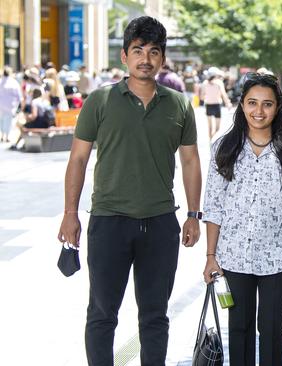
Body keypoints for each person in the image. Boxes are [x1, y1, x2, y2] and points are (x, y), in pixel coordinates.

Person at [56, 16, 202, 365]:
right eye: (138, 50)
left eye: (153, 52)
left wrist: (194, 215)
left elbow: (191, 162)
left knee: (155, 316)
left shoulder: (179, 104)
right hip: (109, 221)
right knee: (102, 313)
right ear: (124, 55)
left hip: (161, 222)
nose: (145, 59)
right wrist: (70, 214)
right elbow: (77, 159)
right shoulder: (101, 100)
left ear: (163, 58)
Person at [202, 73, 282, 366]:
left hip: (278, 256)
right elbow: (213, 206)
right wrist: (211, 256)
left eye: (267, 104)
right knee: (238, 328)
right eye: (252, 103)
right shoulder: (224, 148)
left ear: (278, 107)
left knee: (272, 327)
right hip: (234, 254)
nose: (259, 111)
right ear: (241, 105)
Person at [201, 67, 232, 139]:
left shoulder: (205, 83)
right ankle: (213, 141)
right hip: (216, 105)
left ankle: (211, 141)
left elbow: (202, 97)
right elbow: (223, 94)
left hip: (208, 105)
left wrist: (208, 96)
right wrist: (228, 103)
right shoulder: (219, 83)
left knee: (210, 127)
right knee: (217, 128)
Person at [0, 66, 22, 142]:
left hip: (1, 105)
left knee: (2, 120)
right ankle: (7, 136)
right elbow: (19, 95)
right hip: (10, 105)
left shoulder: (0, 81)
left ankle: (2, 135)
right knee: (9, 121)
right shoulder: (13, 82)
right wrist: (19, 104)